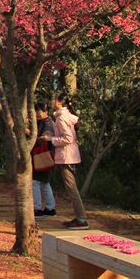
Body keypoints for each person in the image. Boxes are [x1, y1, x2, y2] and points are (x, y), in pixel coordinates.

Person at [49, 92, 88, 229]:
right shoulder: (63, 117)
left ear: (59, 102)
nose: (51, 101)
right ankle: (79, 217)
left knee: (72, 189)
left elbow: (67, 138)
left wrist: (51, 140)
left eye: (53, 99)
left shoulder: (62, 118)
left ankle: (81, 219)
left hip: (67, 157)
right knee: (71, 188)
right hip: (69, 156)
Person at [31, 102, 57, 218]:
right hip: (44, 156)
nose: (36, 114)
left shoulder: (47, 124)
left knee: (36, 182)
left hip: (43, 155)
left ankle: (37, 208)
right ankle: (50, 208)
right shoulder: (43, 122)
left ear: (46, 112)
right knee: (44, 183)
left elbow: (43, 140)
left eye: (38, 111)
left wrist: (29, 134)